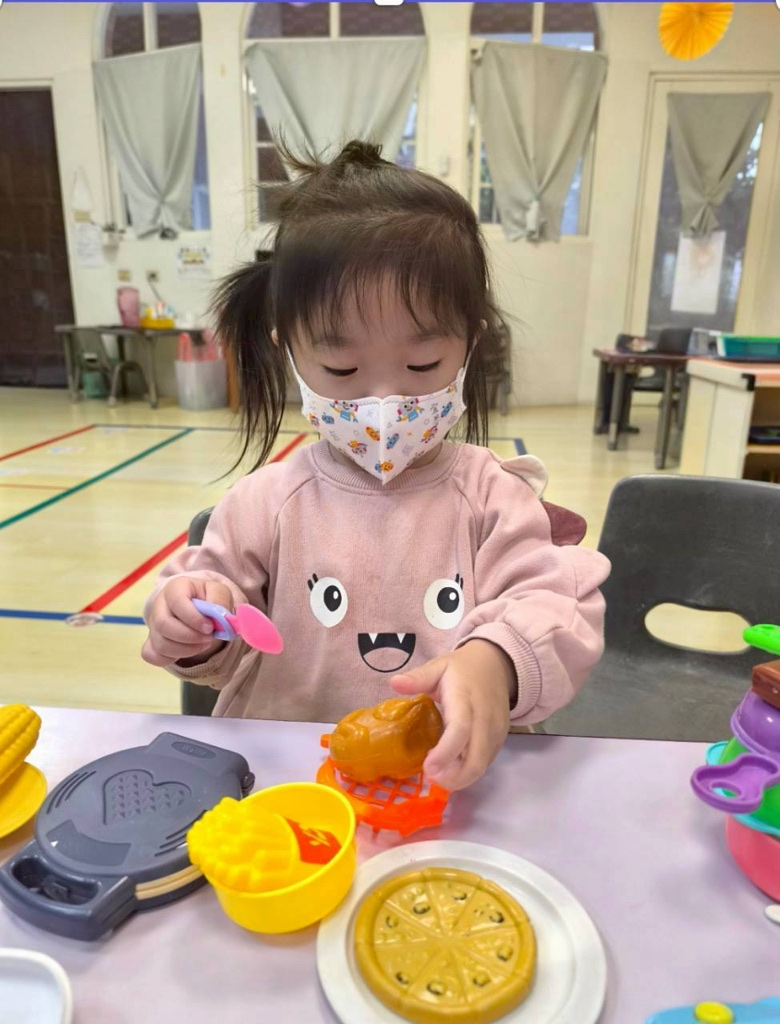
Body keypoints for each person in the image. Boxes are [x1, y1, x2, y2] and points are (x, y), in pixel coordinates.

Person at [143, 140, 610, 791]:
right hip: (290, 780)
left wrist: (497, 658)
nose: (385, 401)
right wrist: (193, 618)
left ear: (470, 346)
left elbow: (555, 604)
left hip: (446, 779)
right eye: (341, 369)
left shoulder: (493, 497)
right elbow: (214, 622)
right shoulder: (264, 503)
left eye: (423, 365)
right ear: (289, 353)